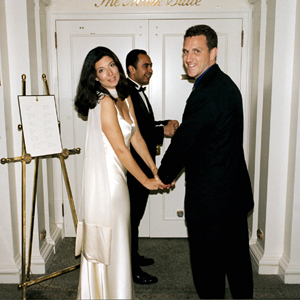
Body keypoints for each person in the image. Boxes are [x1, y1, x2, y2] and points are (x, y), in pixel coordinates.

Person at [157, 25, 254, 299]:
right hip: (233, 193)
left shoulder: (206, 92)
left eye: (196, 51)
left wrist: (162, 175)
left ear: (213, 53)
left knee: (208, 271)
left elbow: (185, 141)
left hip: (212, 202)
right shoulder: (226, 84)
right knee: (237, 264)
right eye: (186, 51)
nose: (189, 57)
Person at [74, 46, 166, 299]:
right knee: (113, 237)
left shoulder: (123, 97)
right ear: (95, 78)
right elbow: (120, 150)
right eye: (101, 70)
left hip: (119, 179)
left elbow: (135, 137)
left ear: (118, 65)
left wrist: (153, 167)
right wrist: (146, 180)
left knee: (121, 236)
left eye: (111, 65)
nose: (110, 73)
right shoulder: (103, 103)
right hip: (108, 182)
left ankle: (118, 291)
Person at [125, 49, 179, 284]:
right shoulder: (125, 93)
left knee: (134, 218)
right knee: (131, 218)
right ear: (131, 70)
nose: (150, 70)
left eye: (151, 65)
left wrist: (162, 123)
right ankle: (130, 268)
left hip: (144, 166)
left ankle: (132, 255)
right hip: (133, 168)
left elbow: (143, 124)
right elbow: (131, 131)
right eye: (145, 66)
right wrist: (161, 131)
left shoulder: (137, 92)